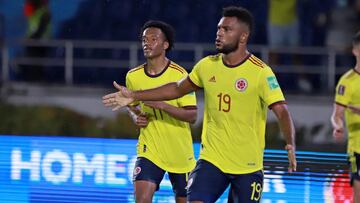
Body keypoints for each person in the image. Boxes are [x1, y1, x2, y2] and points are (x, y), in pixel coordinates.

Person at [103, 7, 297, 203]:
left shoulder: (261, 73)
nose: (219, 33)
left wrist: (290, 143)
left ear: (243, 36)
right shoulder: (206, 66)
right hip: (211, 161)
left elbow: (282, 111)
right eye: (219, 28)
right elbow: (176, 89)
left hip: (247, 166)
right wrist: (134, 96)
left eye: (227, 29)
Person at [123, 20, 197, 203]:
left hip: (180, 152)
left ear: (165, 45)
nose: (146, 43)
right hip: (150, 149)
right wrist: (135, 115)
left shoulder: (180, 75)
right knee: (141, 200)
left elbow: (192, 115)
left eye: (153, 39)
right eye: (144, 39)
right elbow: (131, 104)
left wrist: (164, 105)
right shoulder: (133, 76)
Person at [331, 31, 360, 203]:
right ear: (355, 51)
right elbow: (336, 115)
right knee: (358, 192)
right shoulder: (347, 82)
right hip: (357, 149)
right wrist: (338, 126)